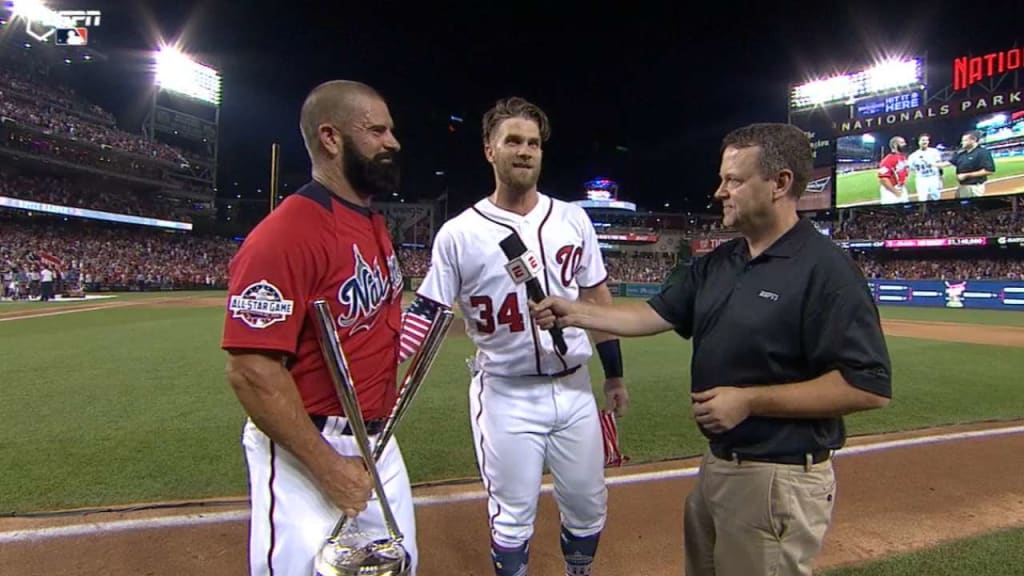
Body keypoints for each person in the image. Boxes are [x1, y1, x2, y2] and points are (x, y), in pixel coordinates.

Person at [531, 122, 893, 576]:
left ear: (780, 184)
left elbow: (868, 386)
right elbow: (651, 315)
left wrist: (749, 400)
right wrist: (575, 312)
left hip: (778, 477)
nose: (720, 191)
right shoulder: (722, 261)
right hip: (719, 466)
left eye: (734, 180)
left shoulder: (826, 269)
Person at [406, 96, 629, 576]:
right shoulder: (460, 233)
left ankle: (578, 571)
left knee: (590, 507)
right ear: (490, 150)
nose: (525, 151)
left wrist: (614, 375)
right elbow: (428, 310)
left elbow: (599, 302)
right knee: (512, 521)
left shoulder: (572, 218)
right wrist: (388, 363)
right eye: (513, 141)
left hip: (574, 387)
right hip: (506, 393)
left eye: (533, 143)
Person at [220, 80, 419, 575]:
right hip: (306, 447)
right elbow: (251, 371)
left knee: (400, 567)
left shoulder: (371, 224)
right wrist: (328, 468)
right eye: (376, 130)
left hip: (379, 443)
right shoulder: (286, 235)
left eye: (390, 129)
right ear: (331, 138)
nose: (392, 141)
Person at [949, 130, 996, 198]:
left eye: (965, 140)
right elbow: (949, 163)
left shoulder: (983, 152)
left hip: (973, 187)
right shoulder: (962, 153)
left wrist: (966, 175)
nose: (962, 143)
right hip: (962, 186)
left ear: (973, 140)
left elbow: (989, 170)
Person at [907, 133, 943, 202]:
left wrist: (940, 178)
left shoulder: (934, 152)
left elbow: (939, 165)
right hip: (921, 179)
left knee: (936, 197)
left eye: (927, 140)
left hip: (933, 177)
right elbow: (909, 168)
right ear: (919, 142)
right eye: (923, 140)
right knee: (922, 198)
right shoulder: (913, 156)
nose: (925, 142)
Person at [877, 135, 909, 205]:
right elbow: (883, 179)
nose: (905, 145)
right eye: (902, 143)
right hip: (891, 192)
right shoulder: (887, 160)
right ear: (895, 145)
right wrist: (895, 192)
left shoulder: (902, 157)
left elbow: (905, 172)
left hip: (901, 188)